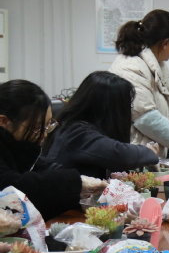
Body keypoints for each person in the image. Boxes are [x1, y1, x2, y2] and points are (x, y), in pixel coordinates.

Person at [0, 80, 105, 221]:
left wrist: (81, 185)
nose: (44, 134)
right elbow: (11, 185)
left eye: (48, 124)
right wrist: (74, 182)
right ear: (3, 121)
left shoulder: (21, 145)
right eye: (37, 128)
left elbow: (42, 167)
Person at [43, 72, 160, 180]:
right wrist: (149, 151)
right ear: (112, 109)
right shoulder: (78, 133)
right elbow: (119, 154)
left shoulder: (71, 125)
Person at [110, 9, 169, 157]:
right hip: (133, 153)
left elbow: (167, 113)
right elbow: (146, 119)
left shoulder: (155, 65)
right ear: (165, 43)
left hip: (146, 152)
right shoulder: (132, 67)